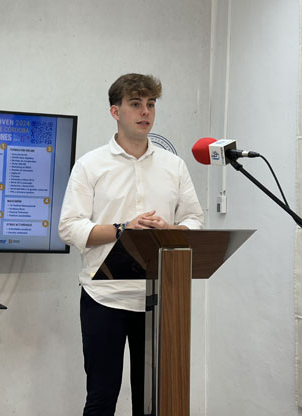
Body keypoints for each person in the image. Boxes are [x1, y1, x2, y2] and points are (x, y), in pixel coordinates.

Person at [58, 73, 204, 415]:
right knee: (101, 398)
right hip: (104, 297)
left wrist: (170, 229)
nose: (145, 112)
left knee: (153, 401)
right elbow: (70, 227)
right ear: (115, 111)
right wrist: (123, 229)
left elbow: (195, 220)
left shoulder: (174, 166)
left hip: (160, 298)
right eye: (136, 104)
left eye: (151, 104)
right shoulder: (90, 165)